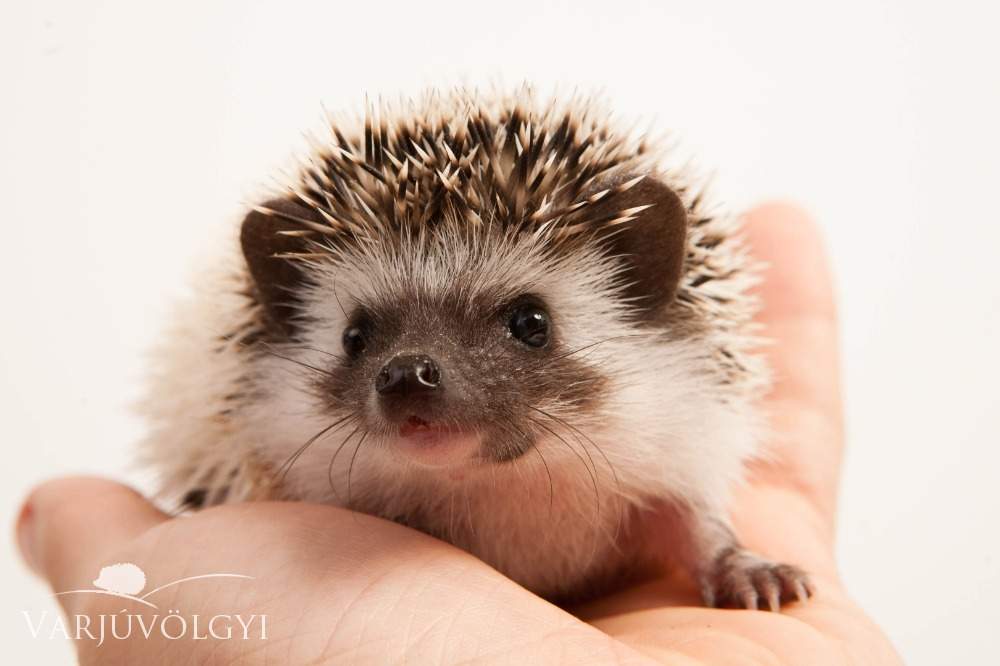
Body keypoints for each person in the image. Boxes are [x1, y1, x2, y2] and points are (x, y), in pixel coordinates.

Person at [15, 203, 903, 664]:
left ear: (640, 306)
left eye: (524, 325)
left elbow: (679, 507)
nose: (408, 374)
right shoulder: (305, 471)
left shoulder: (666, 430)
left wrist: (727, 560)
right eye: (363, 339)